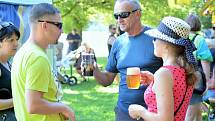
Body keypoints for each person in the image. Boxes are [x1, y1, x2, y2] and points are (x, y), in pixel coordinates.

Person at [93, 0, 163, 121]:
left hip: (152, 113)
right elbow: (107, 80)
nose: (119, 19)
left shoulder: (156, 38)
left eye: (124, 14)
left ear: (138, 14)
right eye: (116, 15)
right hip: (124, 113)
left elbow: (173, 73)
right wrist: (93, 69)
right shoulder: (118, 43)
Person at [11, 3, 75, 121]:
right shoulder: (37, 57)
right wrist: (63, 108)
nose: (61, 31)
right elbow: (34, 105)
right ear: (45, 25)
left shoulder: (23, 52)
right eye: (59, 25)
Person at [128, 16, 197, 121]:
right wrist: (154, 83)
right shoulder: (183, 69)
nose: (153, 42)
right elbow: (177, 91)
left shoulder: (164, 74)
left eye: (155, 38)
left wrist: (140, 111)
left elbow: (165, 119)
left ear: (166, 45)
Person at [184, 13, 213, 121]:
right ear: (198, 24)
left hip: (181, 78)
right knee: (191, 114)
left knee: (197, 112)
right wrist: (207, 81)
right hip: (195, 80)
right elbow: (205, 61)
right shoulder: (199, 39)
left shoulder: (181, 38)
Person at [0, 22, 20, 121]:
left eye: (17, 39)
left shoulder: (10, 64)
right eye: (11, 40)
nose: (16, 43)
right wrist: (20, 100)